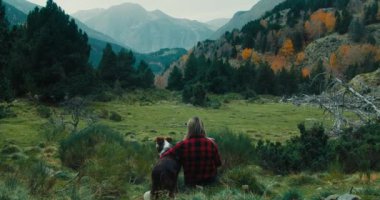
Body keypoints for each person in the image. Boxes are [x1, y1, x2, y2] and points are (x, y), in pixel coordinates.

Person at [161, 116, 222, 187]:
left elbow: (164, 156)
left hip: (191, 185)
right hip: (210, 184)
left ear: (189, 129)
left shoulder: (182, 145)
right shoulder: (211, 143)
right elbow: (218, 163)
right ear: (202, 128)